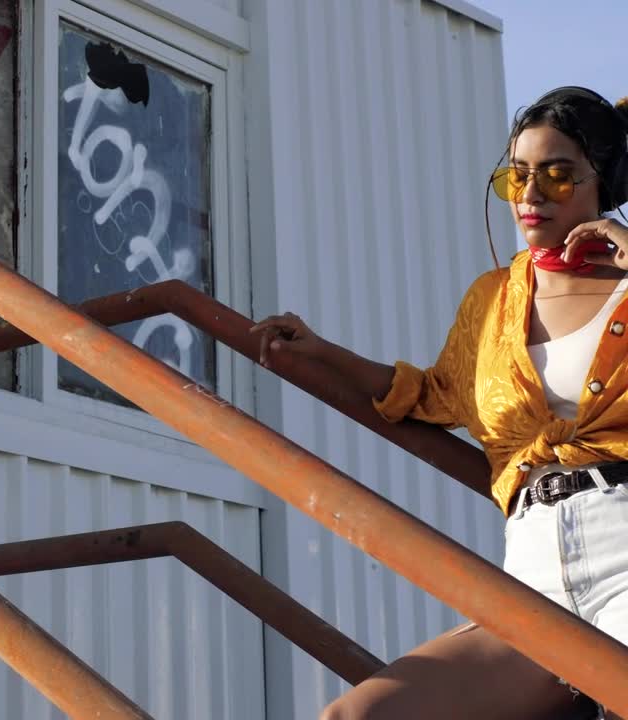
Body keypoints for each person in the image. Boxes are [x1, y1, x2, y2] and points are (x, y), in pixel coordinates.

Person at [251, 86, 628, 719]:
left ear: (603, 181)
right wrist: (320, 352)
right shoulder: (493, 298)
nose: (531, 194)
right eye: (517, 176)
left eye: (558, 176)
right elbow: (432, 393)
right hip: (534, 574)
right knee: (358, 716)